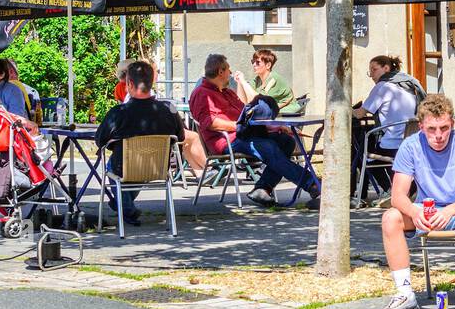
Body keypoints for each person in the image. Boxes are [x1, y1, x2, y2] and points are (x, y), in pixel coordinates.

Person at [376, 94, 455, 309]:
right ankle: (404, 294)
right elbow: (397, 195)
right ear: (421, 127)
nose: (438, 135)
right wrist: (414, 212)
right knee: (390, 218)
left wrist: (449, 211)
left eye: (444, 128)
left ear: (452, 125)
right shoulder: (410, 146)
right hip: (424, 210)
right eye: (431, 129)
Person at [188, 53, 321, 208]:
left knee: (286, 142)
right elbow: (209, 123)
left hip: (244, 135)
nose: (230, 74)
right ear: (221, 72)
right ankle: (314, 185)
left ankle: (262, 188)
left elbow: (246, 113)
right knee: (268, 148)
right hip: (226, 140)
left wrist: (271, 127)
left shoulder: (227, 92)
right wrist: (239, 126)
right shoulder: (202, 93)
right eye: (229, 70)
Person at [96, 60, 187, 226]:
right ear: (152, 82)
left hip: (124, 168)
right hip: (157, 167)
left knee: (114, 166)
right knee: (130, 167)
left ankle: (125, 208)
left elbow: (100, 140)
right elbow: (181, 137)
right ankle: (125, 206)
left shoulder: (118, 113)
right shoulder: (169, 109)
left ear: (129, 84)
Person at [350, 54, 425, 204]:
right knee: (368, 143)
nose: (371, 75)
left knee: (363, 152)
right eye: (369, 71)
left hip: (392, 142)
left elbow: (360, 114)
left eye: (374, 69)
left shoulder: (382, 87)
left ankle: (389, 190)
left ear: (386, 68)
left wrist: (344, 109)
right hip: (411, 140)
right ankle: (404, 189)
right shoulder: (407, 85)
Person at [234, 49, 300, 115]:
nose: (254, 64)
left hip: (288, 113)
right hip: (272, 113)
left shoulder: (274, 79)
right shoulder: (257, 80)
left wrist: (244, 82)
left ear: (268, 65)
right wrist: (240, 82)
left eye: (257, 62)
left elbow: (259, 103)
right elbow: (243, 103)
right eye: (253, 61)